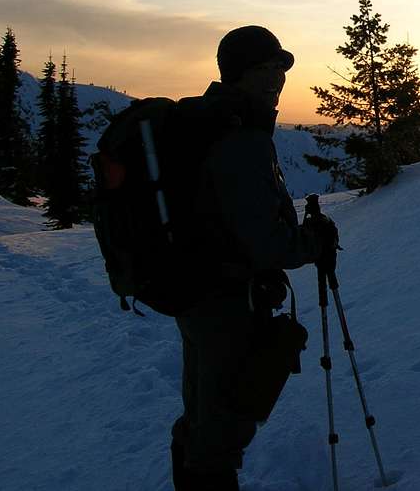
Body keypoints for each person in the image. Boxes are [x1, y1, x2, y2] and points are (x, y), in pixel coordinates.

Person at [170, 25, 336, 491]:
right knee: (221, 434)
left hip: (194, 291)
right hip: (225, 300)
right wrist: (311, 244)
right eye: (266, 71)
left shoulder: (208, 122)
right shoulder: (238, 137)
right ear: (239, 73)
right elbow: (265, 243)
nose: (276, 82)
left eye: (280, 73)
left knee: (202, 418)